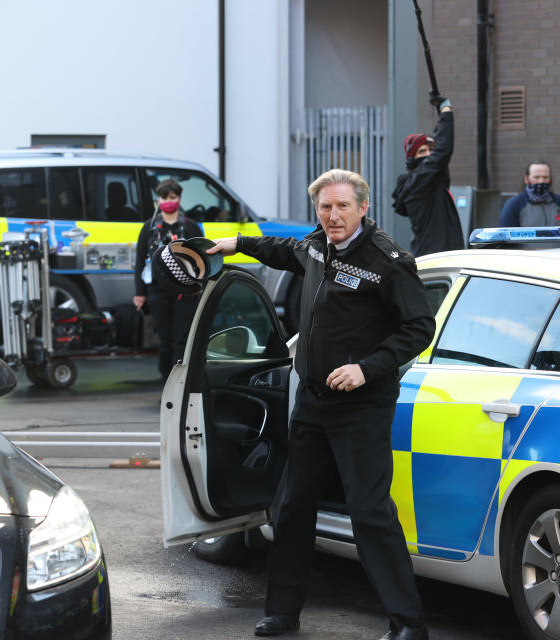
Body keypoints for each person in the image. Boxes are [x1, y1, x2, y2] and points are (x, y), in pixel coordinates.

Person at [207, 169, 435, 640]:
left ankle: (408, 623)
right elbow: (284, 250)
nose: (333, 216)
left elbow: (419, 327)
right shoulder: (316, 245)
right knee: (291, 506)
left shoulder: (387, 261)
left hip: (362, 406)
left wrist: (366, 368)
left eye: (342, 207)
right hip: (311, 400)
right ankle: (282, 613)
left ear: (363, 208)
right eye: (325, 207)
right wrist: (237, 243)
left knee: (370, 514)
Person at [133, 179, 204, 379]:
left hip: (186, 293)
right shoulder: (149, 228)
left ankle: (179, 383)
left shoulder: (191, 228)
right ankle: (166, 381)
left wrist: (200, 287)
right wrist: (140, 293)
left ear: (179, 199)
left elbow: (202, 259)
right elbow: (139, 260)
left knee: (180, 340)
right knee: (164, 340)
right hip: (157, 292)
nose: (168, 201)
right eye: (165, 197)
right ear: (158, 199)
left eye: (172, 197)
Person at [392, 93, 465, 256]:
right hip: (435, 258)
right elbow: (442, 151)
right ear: (412, 158)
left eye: (430, 150)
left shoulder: (428, 180)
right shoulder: (417, 181)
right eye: (422, 151)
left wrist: (442, 115)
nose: (428, 154)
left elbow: (440, 151)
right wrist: (446, 110)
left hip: (441, 255)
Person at [499, 161, 560, 227]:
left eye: (545, 177)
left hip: (559, 254)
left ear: (551, 179)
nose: (541, 181)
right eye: (536, 177)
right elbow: (505, 238)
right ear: (526, 179)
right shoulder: (514, 205)